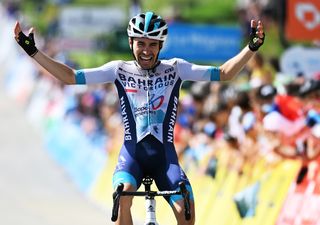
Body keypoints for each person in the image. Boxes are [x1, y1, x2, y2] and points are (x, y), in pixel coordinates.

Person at [14, 11, 265, 225]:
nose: (146, 50)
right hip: (131, 155)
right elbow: (70, 77)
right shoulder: (118, 70)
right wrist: (33, 52)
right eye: (141, 43)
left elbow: (223, 74)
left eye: (152, 44)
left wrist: (251, 48)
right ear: (131, 43)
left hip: (164, 158)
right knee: (122, 196)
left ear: (160, 46)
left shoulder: (176, 68)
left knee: (186, 207)